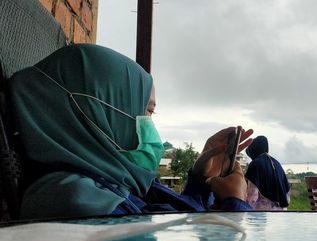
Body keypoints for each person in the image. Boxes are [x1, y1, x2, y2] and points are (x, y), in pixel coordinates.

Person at [8, 44, 253, 219]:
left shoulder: (110, 184)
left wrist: (201, 179)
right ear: (96, 112)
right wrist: (235, 206)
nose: (150, 126)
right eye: (146, 112)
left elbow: (179, 218)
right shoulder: (79, 203)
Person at [244, 136, 290, 210]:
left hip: (262, 214)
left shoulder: (255, 164)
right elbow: (287, 195)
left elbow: (252, 196)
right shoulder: (277, 163)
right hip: (281, 212)